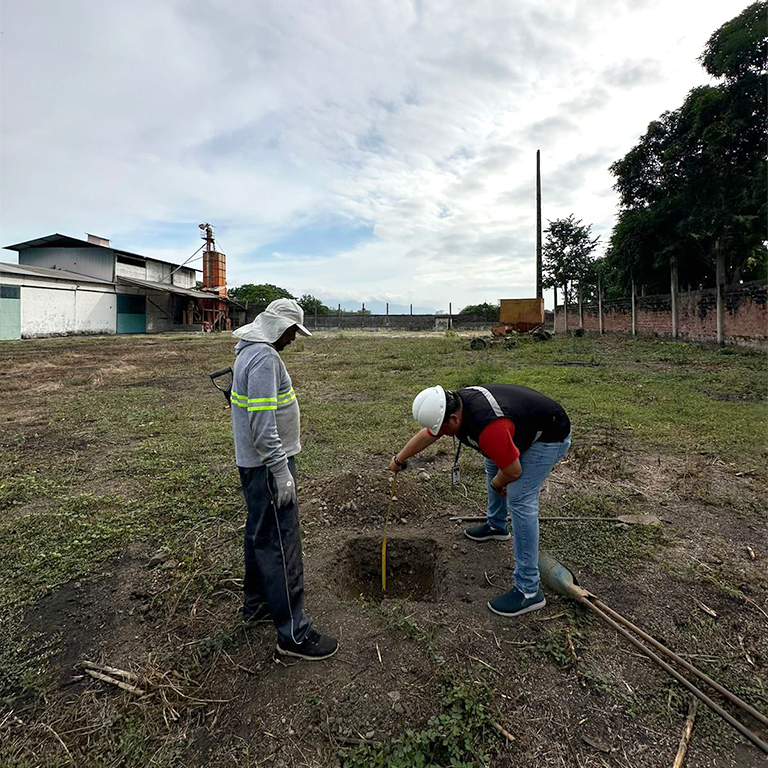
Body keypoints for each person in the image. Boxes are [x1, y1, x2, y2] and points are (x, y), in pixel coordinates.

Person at [390, 384, 570, 618]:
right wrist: (400, 458)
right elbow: (429, 434)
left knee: (520, 498)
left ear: (453, 419)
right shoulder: (454, 406)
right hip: (523, 426)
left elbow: (513, 471)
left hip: (549, 435)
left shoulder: (489, 428)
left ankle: (528, 590)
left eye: (443, 429)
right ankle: (497, 526)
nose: (440, 434)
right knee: (492, 461)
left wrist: (498, 483)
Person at [230, 299, 338, 660]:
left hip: (255, 465)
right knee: (280, 543)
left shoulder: (249, 352)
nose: (293, 338)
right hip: (267, 467)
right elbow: (262, 425)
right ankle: (294, 634)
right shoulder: (264, 358)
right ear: (279, 328)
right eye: (292, 331)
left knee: (260, 534)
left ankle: (257, 604)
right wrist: (280, 471)